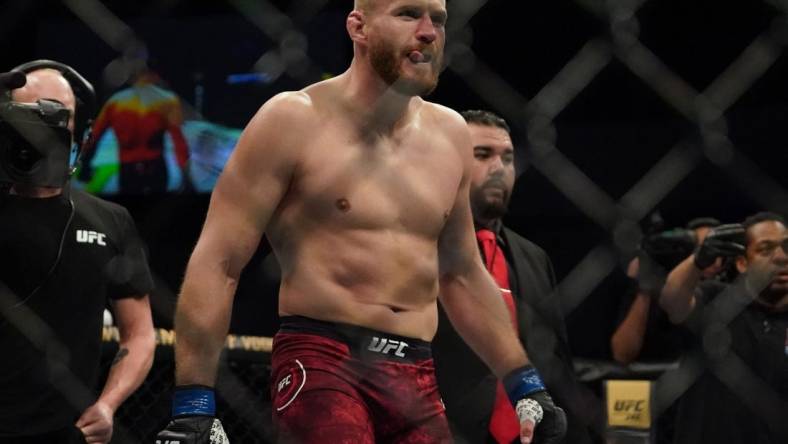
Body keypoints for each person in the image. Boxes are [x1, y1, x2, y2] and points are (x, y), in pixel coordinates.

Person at [156, 1, 566, 443]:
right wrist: (194, 403)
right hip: (324, 358)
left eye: (440, 20)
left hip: (417, 370)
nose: (429, 32)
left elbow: (462, 273)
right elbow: (219, 261)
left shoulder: (450, 135)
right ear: (359, 27)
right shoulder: (293, 119)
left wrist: (525, 384)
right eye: (409, 14)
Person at [0, 61, 156, 444]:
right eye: (30, 114)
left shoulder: (111, 222)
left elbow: (139, 335)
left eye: (55, 114)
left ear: (79, 131)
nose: (43, 125)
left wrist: (108, 404)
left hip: (63, 433)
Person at [431, 110, 595, 444]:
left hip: (526, 432)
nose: (498, 168)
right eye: (482, 155)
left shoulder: (534, 258)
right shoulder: (419, 247)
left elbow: (556, 359)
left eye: (508, 158)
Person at [659, 212, 788, 443]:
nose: (780, 257)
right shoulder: (715, 299)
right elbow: (672, 300)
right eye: (765, 249)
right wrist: (698, 261)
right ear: (742, 263)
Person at [611, 217, 722, 365]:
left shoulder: (729, 291)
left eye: (713, 249)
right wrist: (645, 290)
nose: (707, 256)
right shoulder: (657, 289)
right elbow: (622, 353)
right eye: (701, 249)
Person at [79, 63, 189, 194]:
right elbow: (179, 141)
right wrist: (186, 174)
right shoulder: (167, 100)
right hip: (155, 168)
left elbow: (94, 137)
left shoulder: (115, 102)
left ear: (132, 78)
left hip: (127, 170)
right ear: (155, 75)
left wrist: (85, 167)